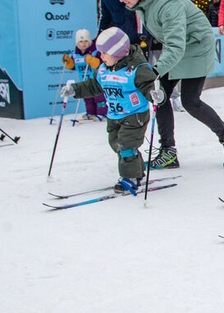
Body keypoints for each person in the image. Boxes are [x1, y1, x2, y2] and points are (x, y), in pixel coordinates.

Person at [110, 0, 224, 170]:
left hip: (197, 48)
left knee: (191, 101)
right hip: (180, 47)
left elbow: (175, 46)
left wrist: (153, 71)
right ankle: (168, 151)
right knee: (160, 94)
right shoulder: (142, 3)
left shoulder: (168, 4)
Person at [60, 27, 158, 194]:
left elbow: (149, 85)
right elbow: (93, 86)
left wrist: (155, 95)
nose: (102, 56)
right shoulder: (104, 69)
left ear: (118, 52)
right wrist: (75, 90)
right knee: (116, 144)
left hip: (135, 115)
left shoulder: (137, 69)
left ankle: (130, 178)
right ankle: (137, 170)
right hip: (114, 115)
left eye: (105, 53)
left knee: (126, 145)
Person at [62, 29, 105, 121]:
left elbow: (100, 64)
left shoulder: (95, 52)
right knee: (88, 98)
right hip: (84, 80)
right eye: (81, 41)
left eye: (86, 41)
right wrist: (69, 62)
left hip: (95, 80)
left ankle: (102, 113)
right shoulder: (76, 55)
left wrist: (93, 61)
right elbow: (74, 66)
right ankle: (90, 113)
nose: (83, 44)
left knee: (99, 97)